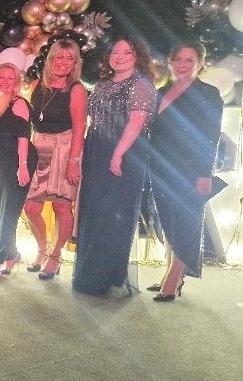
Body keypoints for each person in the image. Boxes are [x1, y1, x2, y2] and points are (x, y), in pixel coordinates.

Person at [73, 37, 158, 296]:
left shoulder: (141, 84)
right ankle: (89, 272)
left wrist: (118, 154)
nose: (119, 56)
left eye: (127, 52)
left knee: (113, 215)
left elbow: (137, 122)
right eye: (115, 51)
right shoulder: (102, 84)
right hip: (96, 150)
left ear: (137, 57)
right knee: (94, 211)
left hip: (123, 153)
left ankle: (107, 275)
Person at [148, 41, 223, 301]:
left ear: (200, 63)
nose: (182, 65)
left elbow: (210, 136)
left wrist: (204, 172)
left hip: (190, 168)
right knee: (168, 220)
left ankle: (174, 277)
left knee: (186, 222)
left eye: (189, 60)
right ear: (170, 62)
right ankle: (170, 270)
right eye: (178, 59)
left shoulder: (209, 94)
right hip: (160, 165)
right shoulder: (161, 91)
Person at [23, 39, 87, 280]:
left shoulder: (77, 89)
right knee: (30, 207)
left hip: (64, 147)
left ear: (75, 63)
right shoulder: (37, 84)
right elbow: (32, 121)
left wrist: (74, 161)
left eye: (69, 58)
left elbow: (80, 128)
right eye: (59, 57)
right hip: (39, 147)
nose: (64, 62)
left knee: (61, 205)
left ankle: (57, 255)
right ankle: (43, 247)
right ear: (51, 59)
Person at [0, 63, 37, 278]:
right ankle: (11, 254)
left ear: (16, 82)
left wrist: (23, 166)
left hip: (17, 160)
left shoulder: (19, 103)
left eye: (10, 78)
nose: (5, 82)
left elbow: (24, 136)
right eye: (1, 77)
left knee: (9, 212)